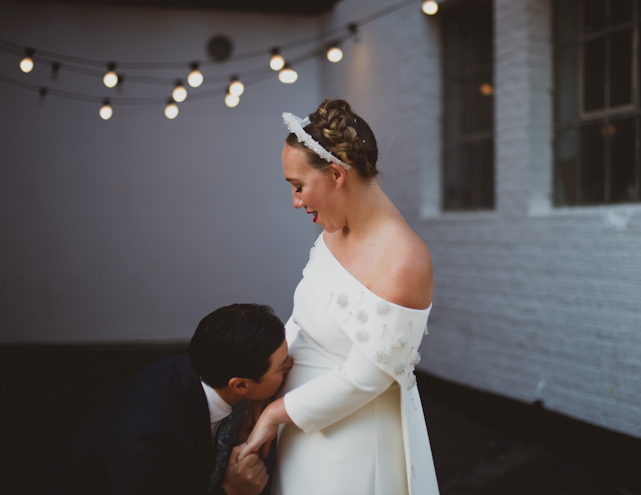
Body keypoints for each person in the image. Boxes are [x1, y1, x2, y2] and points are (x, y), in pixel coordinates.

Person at [240, 99, 438, 495]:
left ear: (335, 174)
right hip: (300, 433)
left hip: (353, 446)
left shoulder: (404, 262)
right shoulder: (332, 232)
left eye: (299, 187)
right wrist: (265, 386)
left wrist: (277, 413)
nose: (296, 202)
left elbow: (367, 377)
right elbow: (304, 320)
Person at [37, 303, 293, 495]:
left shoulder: (189, 369)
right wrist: (230, 490)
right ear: (239, 385)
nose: (291, 365)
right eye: (282, 367)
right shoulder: (151, 443)